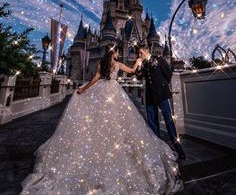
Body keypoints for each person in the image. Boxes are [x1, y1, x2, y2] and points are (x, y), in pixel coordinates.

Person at [21, 45, 183, 194]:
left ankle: (102, 146)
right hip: (115, 93)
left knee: (101, 121)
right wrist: (137, 63)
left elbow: (95, 79)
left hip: (115, 93)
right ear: (114, 53)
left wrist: (83, 89)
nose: (120, 54)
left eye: (140, 52)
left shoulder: (102, 63)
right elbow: (133, 71)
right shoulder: (118, 64)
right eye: (117, 52)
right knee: (121, 121)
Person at [136, 44, 186, 160]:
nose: (139, 55)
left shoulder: (159, 59)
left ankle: (179, 149)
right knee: (152, 123)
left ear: (146, 51)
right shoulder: (142, 64)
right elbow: (139, 77)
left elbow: (168, 74)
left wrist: (162, 86)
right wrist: (138, 66)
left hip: (162, 95)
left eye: (140, 53)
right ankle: (157, 149)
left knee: (169, 121)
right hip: (149, 96)